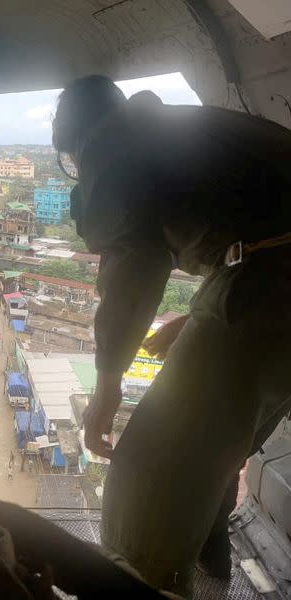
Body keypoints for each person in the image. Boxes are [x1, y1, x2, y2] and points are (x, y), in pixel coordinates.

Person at [52, 74, 291, 595]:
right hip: (270, 279)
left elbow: (133, 272)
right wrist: (204, 311)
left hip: (271, 284)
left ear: (75, 136)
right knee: (217, 446)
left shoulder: (110, 147)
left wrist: (108, 383)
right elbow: (251, 231)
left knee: (147, 474)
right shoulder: (172, 128)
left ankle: (141, 579)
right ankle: (210, 566)